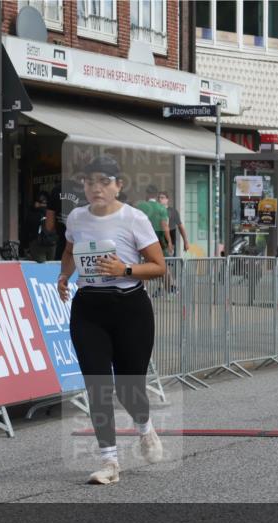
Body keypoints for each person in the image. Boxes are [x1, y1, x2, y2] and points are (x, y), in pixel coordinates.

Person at [57, 155, 167, 485]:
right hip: (89, 308)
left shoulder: (134, 219)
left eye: (104, 182)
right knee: (98, 387)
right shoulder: (77, 217)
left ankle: (145, 428)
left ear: (119, 185)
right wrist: (64, 276)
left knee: (128, 390)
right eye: (90, 182)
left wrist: (125, 270)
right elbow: (69, 250)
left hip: (130, 308)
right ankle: (109, 462)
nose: (96, 188)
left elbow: (160, 266)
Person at [134, 185, 172, 255]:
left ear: (147, 194)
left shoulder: (140, 206)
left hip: (143, 243)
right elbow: (164, 226)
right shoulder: (161, 208)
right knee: (163, 263)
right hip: (159, 242)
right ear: (156, 194)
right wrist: (169, 242)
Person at [23, 192, 57, 262]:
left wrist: (25, 247)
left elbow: (26, 231)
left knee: (41, 267)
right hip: (52, 244)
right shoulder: (53, 213)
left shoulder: (32, 214)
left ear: (37, 203)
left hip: (37, 244)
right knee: (51, 266)